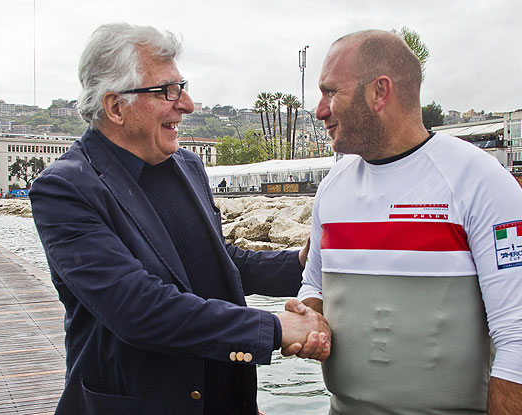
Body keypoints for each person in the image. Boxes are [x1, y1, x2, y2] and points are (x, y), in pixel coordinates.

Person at [29, 23, 330, 415]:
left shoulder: (186, 165)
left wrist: (304, 264)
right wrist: (272, 329)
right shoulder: (65, 189)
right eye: (167, 91)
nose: (186, 104)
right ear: (115, 106)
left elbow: (221, 262)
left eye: (181, 86)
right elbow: (136, 308)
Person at [294, 30, 522, 414]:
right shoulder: (332, 188)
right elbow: (313, 284)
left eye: (331, 92)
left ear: (380, 92)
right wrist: (312, 320)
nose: (320, 109)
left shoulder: (481, 181)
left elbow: (519, 336)